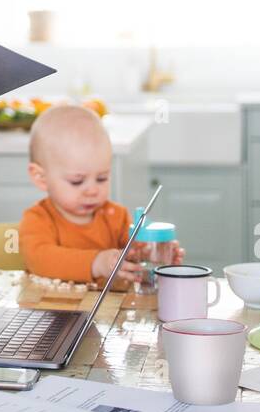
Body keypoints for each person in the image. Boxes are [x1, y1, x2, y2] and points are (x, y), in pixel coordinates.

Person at [18, 103, 184, 285]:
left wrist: (150, 252)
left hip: (103, 311)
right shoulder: (38, 219)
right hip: (50, 309)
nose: (92, 190)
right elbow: (41, 260)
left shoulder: (116, 216)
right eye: (77, 181)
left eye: (102, 178)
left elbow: (130, 257)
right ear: (40, 177)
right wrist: (98, 262)